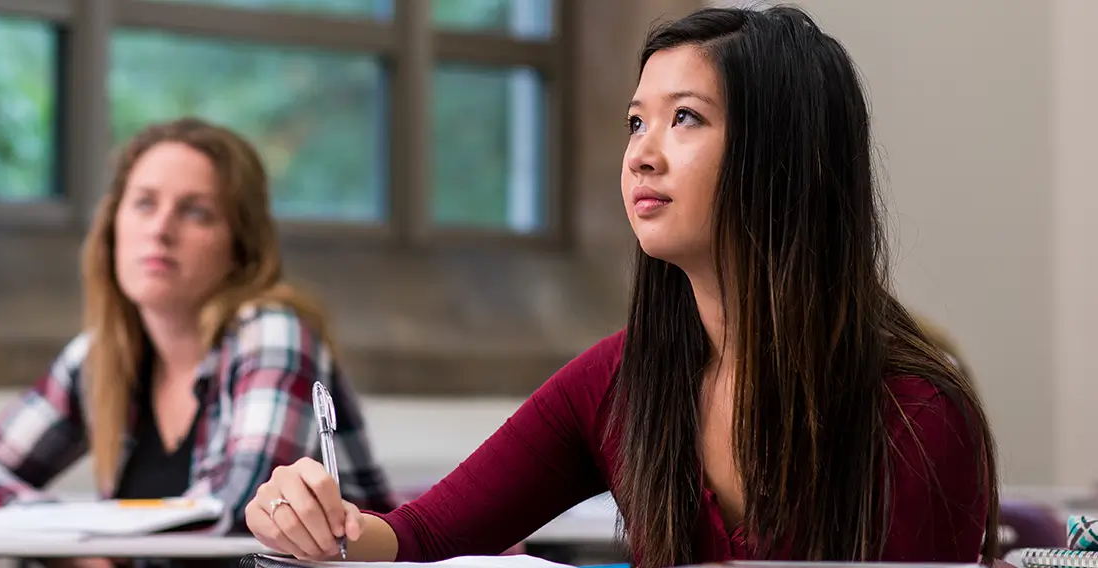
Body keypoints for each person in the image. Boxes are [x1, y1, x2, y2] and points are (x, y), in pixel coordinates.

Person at [243, 6, 999, 567]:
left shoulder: (918, 413)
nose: (643, 154)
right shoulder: (621, 380)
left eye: (686, 119)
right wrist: (317, 522)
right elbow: (426, 536)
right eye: (637, 123)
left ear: (783, 159)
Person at [0, 118, 397, 542]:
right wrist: (64, 542)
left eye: (196, 212)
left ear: (241, 247)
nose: (160, 230)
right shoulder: (99, 358)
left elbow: (240, 517)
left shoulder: (273, 332)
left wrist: (82, 537)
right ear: (112, 228)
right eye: (144, 203)